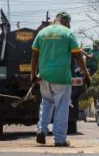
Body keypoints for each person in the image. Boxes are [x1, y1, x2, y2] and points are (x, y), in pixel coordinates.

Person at [31, 11, 90, 147]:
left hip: (44, 76)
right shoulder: (67, 33)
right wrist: (86, 74)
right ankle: (59, 139)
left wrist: (33, 74)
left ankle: (41, 130)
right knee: (62, 107)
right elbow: (78, 56)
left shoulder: (42, 33)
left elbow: (34, 55)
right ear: (67, 22)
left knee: (46, 103)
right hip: (62, 77)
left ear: (55, 20)